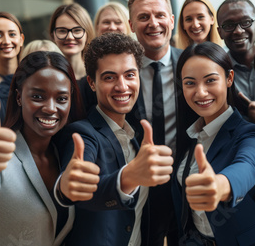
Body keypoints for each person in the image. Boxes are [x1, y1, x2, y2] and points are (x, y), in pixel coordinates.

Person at [0, 51, 87, 245]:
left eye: (61, 99)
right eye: (38, 96)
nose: (51, 108)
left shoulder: (63, 155)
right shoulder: (0, 155)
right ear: (19, 97)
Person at [54, 32, 173, 246]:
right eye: (110, 77)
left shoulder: (137, 136)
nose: (122, 86)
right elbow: (88, 192)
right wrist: (128, 176)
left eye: (129, 75)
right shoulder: (82, 134)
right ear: (91, 82)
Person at [172, 41, 255, 245]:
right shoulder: (189, 135)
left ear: (229, 78)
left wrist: (220, 185)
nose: (201, 92)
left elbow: (246, 167)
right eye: (190, 83)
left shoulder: (249, 133)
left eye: (210, 80)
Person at [127, 0, 182, 246]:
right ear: (131, 24)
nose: (153, 23)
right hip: (138, 186)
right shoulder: (121, 74)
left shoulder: (191, 65)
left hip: (186, 182)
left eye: (160, 15)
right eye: (143, 17)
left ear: (171, 20)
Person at [216, 0, 255, 123]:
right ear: (220, 32)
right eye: (229, 25)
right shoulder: (216, 72)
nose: (238, 31)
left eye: (246, 22)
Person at [49, 3, 95, 80]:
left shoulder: (97, 75)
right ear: (53, 35)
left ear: (87, 34)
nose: (70, 37)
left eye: (77, 30)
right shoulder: (47, 77)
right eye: (62, 31)